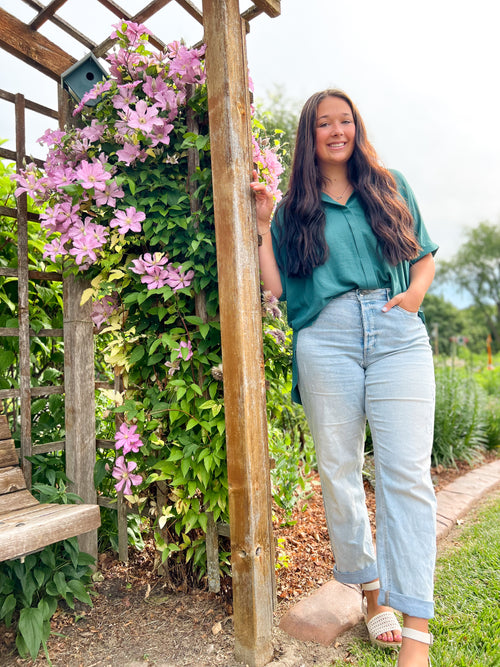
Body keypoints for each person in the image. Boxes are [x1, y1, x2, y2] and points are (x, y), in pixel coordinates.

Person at [251, 89, 438, 667]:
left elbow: (425, 255)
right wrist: (261, 224)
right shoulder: (293, 209)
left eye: (345, 120)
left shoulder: (390, 184)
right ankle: (373, 592)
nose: (337, 130)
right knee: (338, 471)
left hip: (395, 330)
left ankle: (417, 635)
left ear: (356, 127)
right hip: (325, 337)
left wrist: (411, 298)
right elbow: (280, 288)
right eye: (324, 124)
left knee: (406, 474)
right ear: (310, 136)